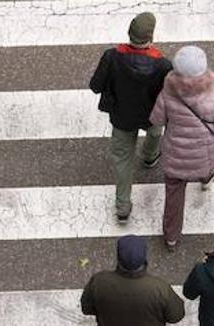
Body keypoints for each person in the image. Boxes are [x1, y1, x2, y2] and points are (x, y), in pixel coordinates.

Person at [89, 12, 173, 224]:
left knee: (123, 161)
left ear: (129, 33)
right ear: (150, 37)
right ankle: (150, 156)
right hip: (151, 115)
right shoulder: (163, 65)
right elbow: (169, 95)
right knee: (155, 133)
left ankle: (123, 207)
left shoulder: (111, 57)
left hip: (122, 117)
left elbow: (95, 86)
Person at [150, 45, 214, 251]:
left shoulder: (167, 93)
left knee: (174, 198)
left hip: (175, 156)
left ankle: (171, 237)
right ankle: (206, 179)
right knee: (207, 168)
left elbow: (157, 119)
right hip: (204, 154)